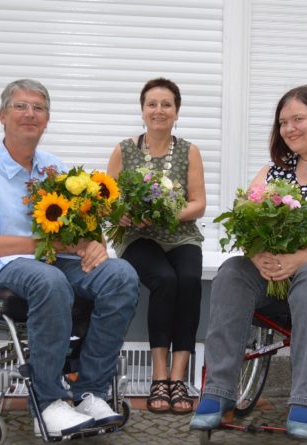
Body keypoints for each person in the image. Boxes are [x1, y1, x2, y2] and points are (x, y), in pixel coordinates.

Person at [189, 84, 307, 440]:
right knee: (232, 271)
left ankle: (306, 401)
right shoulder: (273, 172)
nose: (290, 128)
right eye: (283, 122)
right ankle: (217, 393)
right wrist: (257, 253)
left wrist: (301, 258)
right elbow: (246, 222)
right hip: (281, 273)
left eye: (299, 119)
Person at [0, 79, 139, 438]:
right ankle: (49, 402)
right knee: (48, 280)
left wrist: (94, 242)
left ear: (47, 119)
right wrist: (46, 245)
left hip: (51, 260)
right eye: (20, 106)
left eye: (38, 108)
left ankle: (91, 392)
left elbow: (82, 223)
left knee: (121, 275)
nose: (29, 114)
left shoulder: (55, 170)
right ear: (2, 115)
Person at [106, 78, 206, 415]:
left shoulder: (189, 151)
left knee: (189, 281)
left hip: (180, 235)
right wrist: (122, 215)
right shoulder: (124, 150)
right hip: (138, 237)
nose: (159, 110)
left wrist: (166, 213)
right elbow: (107, 201)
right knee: (165, 280)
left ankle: (179, 378)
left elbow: (198, 204)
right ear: (142, 110)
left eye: (166, 104)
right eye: (152, 104)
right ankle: (158, 376)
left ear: (177, 111)